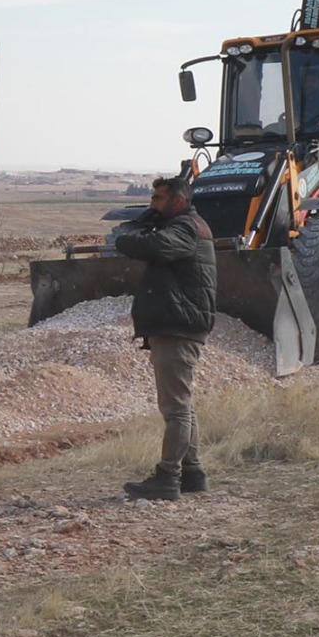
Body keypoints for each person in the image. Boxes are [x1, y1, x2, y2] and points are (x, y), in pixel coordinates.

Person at [109, 171, 216, 502]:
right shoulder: (184, 224)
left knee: (175, 409)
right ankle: (193, 473)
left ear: (178, 201)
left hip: (177, 325)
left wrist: (126, 237)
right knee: (182, 404)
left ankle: (168, 478)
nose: (152, 204)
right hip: (177, 323)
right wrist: (150, 218)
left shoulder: (184, 228)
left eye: (158, 199)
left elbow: (156, 247)